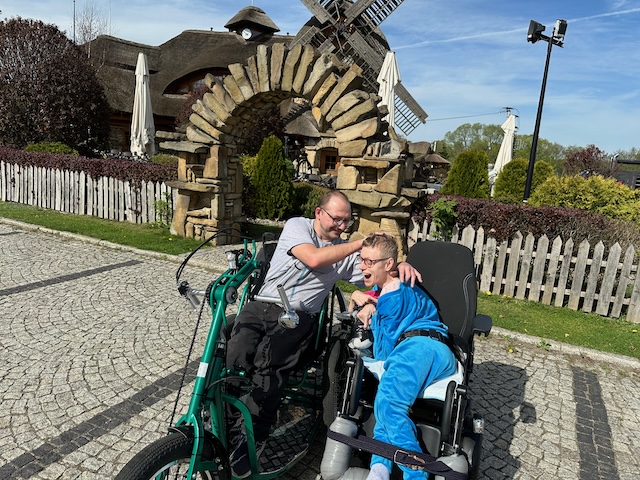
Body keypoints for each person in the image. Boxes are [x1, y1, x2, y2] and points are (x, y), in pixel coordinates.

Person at [225, 190, 421, 478]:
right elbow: (314, 258)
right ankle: (224, 417)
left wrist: (396, 266)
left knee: (270, 367)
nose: (342, 226)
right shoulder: (297, 226)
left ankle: (252, 437)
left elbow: (377, 274)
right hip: (262, 304)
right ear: (319, 213)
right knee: (234, 352)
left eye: (347, 221)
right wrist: (359, 243)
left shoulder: (347, 256)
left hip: (297, 317)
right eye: (337, 219)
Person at [349, 233, 458, 480]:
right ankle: (378, 470)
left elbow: (383, 352)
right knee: (385, 403)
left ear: (388, 264)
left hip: (419, 348)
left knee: (389, 405)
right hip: (431, 348)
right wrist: (368, 302)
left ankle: (415, 475)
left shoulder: (391, 298)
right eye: (361, 260)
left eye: (369, 261)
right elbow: (379, 294)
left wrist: (370, 312)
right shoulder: (400, 286)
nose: (362, 266)